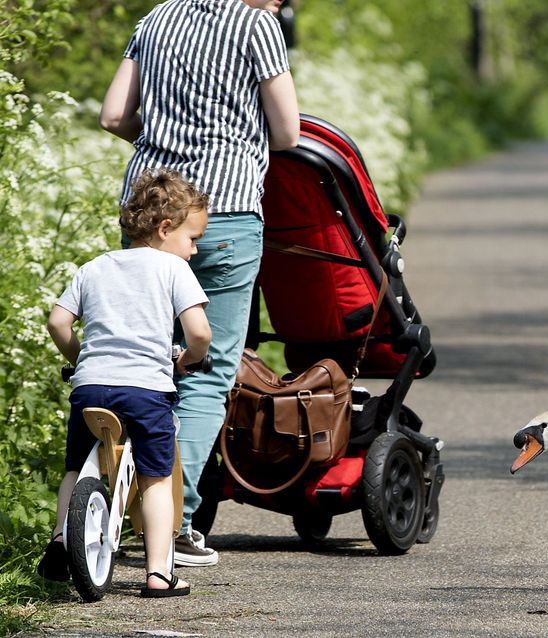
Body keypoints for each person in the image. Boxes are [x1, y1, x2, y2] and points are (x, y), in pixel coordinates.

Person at [99, 0, 300, 567]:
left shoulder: (156, 18)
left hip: (147, 211)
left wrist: (167, 145)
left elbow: (114, 116)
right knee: (207, 371)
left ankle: (110, 504)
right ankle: (172, 523)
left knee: (143, 358)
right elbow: (285, 132)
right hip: (226, 215)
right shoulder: (257, 26)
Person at [38, 169, 212, 597]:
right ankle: (159, 574)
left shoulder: (94, 267)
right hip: (146, 390)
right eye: (193, 239)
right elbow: (201, 334)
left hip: (89, 387)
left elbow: (58, 322)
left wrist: (82, 359)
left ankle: (62, 540)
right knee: (155, 478)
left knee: (75, 467)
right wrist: (190, 360)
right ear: (165, 228)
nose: (193, 250)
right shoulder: (173, 269)